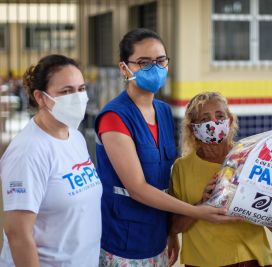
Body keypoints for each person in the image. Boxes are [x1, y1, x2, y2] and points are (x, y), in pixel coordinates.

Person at [95, 29, 236, 267]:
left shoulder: (162, 111)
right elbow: (137, 188)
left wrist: (171, 232)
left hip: (157, 235)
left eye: (160, 61)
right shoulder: (114, 117)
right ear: (124, 68)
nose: (155, 68)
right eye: (144, 62)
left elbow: (164, 178)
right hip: (124, 240)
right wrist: (197, 211)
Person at [169, 92, 272, 267]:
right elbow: (173, 227)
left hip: (250, 260)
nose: (213, 123)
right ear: (193, 128)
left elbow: (268, 214)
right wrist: (201, 204)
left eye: (220, 116)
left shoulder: (250, 158)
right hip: (201, 262)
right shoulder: (181, 168)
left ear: (229, 121)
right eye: (205, 119)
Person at [0, 54, 102, 267]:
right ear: (40, 97)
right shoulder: (28, 152)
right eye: (66, 91)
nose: (77, 97)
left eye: (81, 89)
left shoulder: (74, 136)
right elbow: (17, 233)